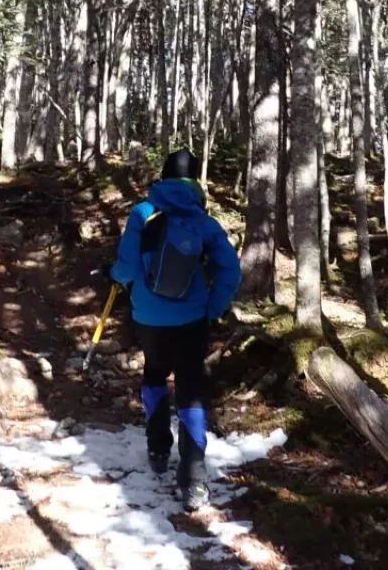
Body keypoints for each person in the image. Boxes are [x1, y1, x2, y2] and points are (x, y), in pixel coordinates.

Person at [109, 148, 242, 511]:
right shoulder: (204, 221)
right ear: (194, 181)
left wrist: (121, 281)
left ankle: (156, 448)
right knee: (191, 388)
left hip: (148, 317)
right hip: (192, 320)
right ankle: (194, 482)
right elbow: (231, 271)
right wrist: (212, 309)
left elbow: (126, 267)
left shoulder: (142, 212)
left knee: (154, 372)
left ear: (163, 177)